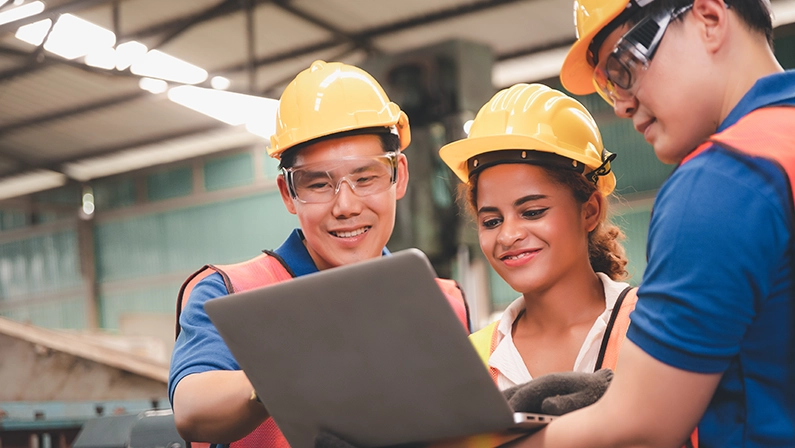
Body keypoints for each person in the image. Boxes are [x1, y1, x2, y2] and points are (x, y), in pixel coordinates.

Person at [510, 0, 795, 446]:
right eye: (608, 87)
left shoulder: (722, 181)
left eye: (624, 68)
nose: (622, 106)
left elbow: (642, 427)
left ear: (709, 18)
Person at [168, 60, 470, 448]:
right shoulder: (228, 294)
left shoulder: (443, 301)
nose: (346, 205)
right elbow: (192, 410)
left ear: (399, 176)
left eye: (365, 178)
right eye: (318, 184)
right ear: (287, 193)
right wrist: (294, 369)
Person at [438, 83, 636, 389]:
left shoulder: (649, 324)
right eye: (491, 221)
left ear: (590, 211)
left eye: (532, 212)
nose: (508, 235)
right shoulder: (471, 361)